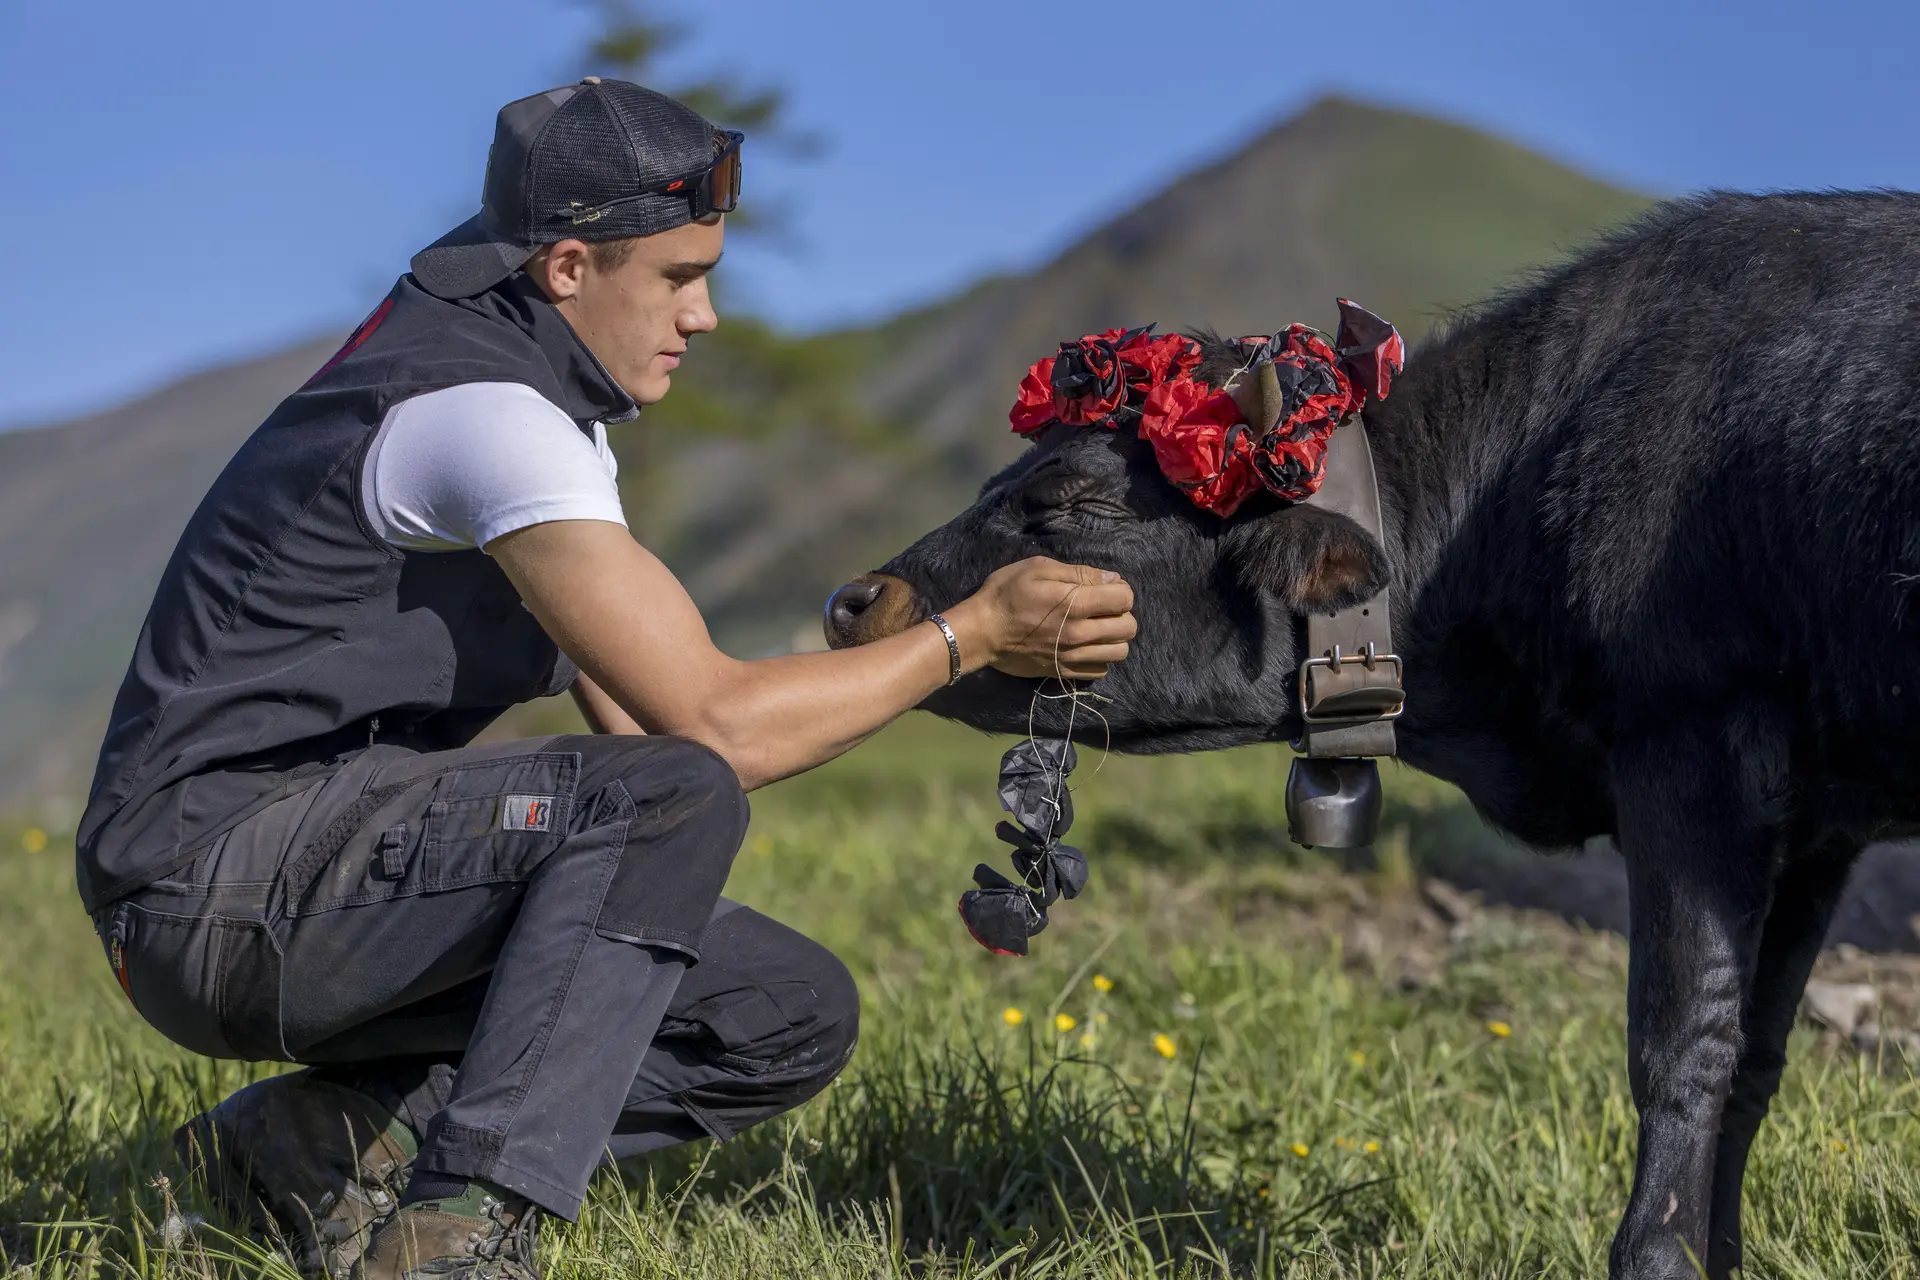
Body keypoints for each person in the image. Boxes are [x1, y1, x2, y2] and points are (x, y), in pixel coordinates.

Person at [76, 79, 1137, 1280]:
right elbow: (708, 735)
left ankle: (316, 1144)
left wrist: (905, 667)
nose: (708, 314)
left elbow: (646, 718)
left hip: (292, 880)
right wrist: (975, 630)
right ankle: (458, 1237)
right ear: (570, 266)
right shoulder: (483, 414)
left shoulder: (541, 406)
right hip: (201, 889)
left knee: (782, 1010)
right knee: (668, 795)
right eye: (681, 276)